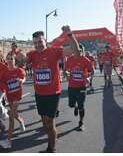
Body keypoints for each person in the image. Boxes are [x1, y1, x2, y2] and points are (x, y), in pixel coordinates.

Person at [16, 25, 80, 153]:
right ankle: (51, 140)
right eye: (35, 43)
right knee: (44, 122)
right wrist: (18, 55)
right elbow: (22, 62)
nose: (38, 45)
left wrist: (70, 35)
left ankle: (51, 149)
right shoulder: (32, 54)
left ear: (45, 40)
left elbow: (76, 51)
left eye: (40, 42)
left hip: (52, 93)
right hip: (39, 93)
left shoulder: (54, 51)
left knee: (50, 122)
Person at [0, 53, 26, 149]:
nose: (9, 60)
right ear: (6, 60)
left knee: (11, 116)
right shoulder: (4, 72)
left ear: (14, 60)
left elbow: (23, 78)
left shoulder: (19, 70)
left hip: (17, 96)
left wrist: (22, 81)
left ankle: (8, 141)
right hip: (10, 97)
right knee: (13, 113)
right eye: (8, 59)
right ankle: (21, 121)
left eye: (11, 59)